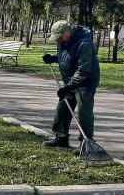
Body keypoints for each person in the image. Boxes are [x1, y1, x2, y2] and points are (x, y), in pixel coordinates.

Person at [42, 20, 100, 151]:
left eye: (60, 37)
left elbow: (83, 69)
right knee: (63, 108)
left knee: (84, 111)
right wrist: (53, 58)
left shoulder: (84, 44)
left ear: (68, 31)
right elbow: (67, 56)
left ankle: (86, 143)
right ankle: (61, 138)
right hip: (70, 80)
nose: (59, 40)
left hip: (86, 81)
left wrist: (68, 87)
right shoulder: (64, 41)